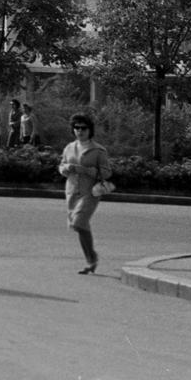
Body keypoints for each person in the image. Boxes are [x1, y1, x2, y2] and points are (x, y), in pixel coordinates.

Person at [59, 113, 112, 275]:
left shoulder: (98, 150)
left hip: (90, 192)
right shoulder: (69, 148)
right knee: (79, 227)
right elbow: (61, 166)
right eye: (76, 128)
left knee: (79, 223)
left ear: (90, 130)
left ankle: (92, 258)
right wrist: (66, 168)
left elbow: (107, 172)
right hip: (72, 191)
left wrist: (88, 171)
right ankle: (91, 259)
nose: (80, 131)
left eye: (83, 128)